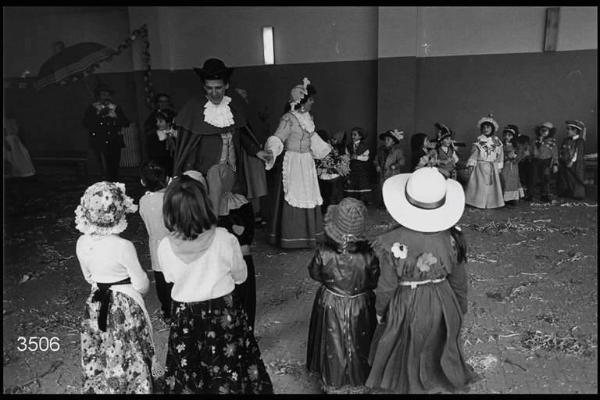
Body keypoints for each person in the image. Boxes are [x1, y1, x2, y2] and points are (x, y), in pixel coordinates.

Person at [157, 175, 273, 394]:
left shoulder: (164, 246)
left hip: (186, 316)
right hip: (224, 313)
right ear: (205, 205)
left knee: (189, 366)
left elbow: (170, 278)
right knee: (231, 364)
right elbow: (241, 276)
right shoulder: (224, 238)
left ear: (169, 211)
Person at [366, 167, 478, 394]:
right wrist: (460, 306)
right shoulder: (453, 238)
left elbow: (387, 285)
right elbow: (459, 279)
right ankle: (436, 378)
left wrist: (380, 310)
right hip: (442, 299)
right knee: (436, 340)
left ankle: (406, 383)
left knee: (406, 340)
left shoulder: (391, 242)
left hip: (406, 300)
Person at [75, 181, 155, 394]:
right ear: (120, 212)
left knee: (101, 345)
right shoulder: (123, 246)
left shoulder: (82, 242)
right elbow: (141, 284)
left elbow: (88, 276)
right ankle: (133, 386)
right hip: (123, 305)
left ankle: (102, 386)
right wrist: (138, 289)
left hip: (96, 303)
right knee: (127, 348)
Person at [172, 58, 271, 216]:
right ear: (204, 87)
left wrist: (257, 151)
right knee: (210, 204)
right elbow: (188, 147)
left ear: (226, 85)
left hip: (233, 172)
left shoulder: (234, 105)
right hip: (205, 174)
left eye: (218, 88)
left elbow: (243, 132)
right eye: (209, 88)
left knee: (234, 214)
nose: (214, 93)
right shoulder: (194, 108)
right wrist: (188, 176)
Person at [306, 197, 380, 393]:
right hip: (361, 303)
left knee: (333, 342)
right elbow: (374, 280)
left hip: (330, 301)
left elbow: (314, 273)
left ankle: (333, 381)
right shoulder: (369, 255)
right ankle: (361, 379)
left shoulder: (323, 252)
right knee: (360, 340)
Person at [265, 77, 331, 249]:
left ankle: (310, 235)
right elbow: (278, 137)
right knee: (294, 194)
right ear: (301, 101)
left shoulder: (308, 118)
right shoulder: (288, 118)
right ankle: (292, 237)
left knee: (308, 194)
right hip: (293, 162)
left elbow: (313, 137)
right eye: (310, 99)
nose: (313, 102)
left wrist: (328, 153)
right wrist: (271, 151)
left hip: (306, 162)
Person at [139, 161, 173, 324]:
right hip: (173, 242)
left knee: (161, 279)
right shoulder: (172, 198)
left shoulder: (143, 201)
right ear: (167, 179)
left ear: (143, 182)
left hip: (156, 243)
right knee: (176, 277)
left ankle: (167, 312)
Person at [82, 83, 130, 181]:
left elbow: (126, 123)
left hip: (114, 141)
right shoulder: (92, 108)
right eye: (103, 94)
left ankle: (114, 184)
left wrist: (115, 117)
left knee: (114, 166)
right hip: (99, 141)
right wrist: (98, 115)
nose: (105, 97)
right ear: (98, 96)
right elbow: (86, 123)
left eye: (107, 95)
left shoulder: (116, 108)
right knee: (103, 167)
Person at [464, 114, 505, 209]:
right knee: (480, 185)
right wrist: (471, 164)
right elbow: (474, 153)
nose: (486, 129)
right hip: (480, 166)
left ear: (493, 128)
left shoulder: (497, 141)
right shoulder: (479, 140)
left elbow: (500, 153)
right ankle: (477, 203)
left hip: (492, 166)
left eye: (488, 127)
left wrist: (499, 166)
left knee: (492, 186)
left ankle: (491, 203)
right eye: (484, 127)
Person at [316, 129, 350, 211]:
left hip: (331, 178)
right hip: (328, 178)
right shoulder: (329, 148)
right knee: (329, 199)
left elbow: (341, 165)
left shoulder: (331, 149)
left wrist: (324, 169)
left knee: (331, 199)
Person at [144, 93, 177, 175]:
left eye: (165, 101)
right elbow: (148, 128)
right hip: (158, 150)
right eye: (161, 101)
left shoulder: (174, 114)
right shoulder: (153, 116)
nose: (163, 103)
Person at [375, 129, 405, 206]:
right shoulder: (380, 149)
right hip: (382, 172)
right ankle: (383, 203)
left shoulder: (397, 151)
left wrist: (395, 165)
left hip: (392, 173)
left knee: (392, 188)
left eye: (388, 139)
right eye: (385, 139)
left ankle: (392, 204)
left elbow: (402, 161)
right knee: (382, 187)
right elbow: (376, 159)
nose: (386, 141)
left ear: (393, 142)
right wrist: (377, 165)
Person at [558, 120, 587, 200]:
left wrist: (571, 161)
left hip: (575, 163)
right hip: (565, 162)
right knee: (566, 177)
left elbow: (577, 153)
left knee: (576, 177)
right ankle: (568, 192)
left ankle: (578, 194)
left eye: (569, 129)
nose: (567, 131)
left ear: (575, 130)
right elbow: (562, 149)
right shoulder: (566, 140)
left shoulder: (579, 141)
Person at [531, 122, 559, 203]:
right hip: (536, 161)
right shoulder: (535, 140)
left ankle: (545, 194)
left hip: (546, 162)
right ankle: (531, 194)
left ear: (550, 132)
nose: (543, 132)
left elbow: (555, 153)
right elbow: (531, 150)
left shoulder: (551, 142)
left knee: (546, 178)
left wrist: (555, 164)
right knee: (534, 178)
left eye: (546, 131)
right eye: (542, 130)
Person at [345, 127, 372, 204]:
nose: (352, 136)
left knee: (362, 183)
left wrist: (357, 157)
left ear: (360, 136)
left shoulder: (364, 146)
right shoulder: (349, 146)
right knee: (352, 183)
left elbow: (366, 157)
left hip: (361, 169)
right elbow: (347, 156)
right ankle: (353, 200)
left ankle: (364, 200)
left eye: (355, 135)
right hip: (352, 168)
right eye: (352, 135)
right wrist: (348, 159)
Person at [500, 125, 525, 205]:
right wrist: (506, 157)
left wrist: (515, 157)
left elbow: (520, 154)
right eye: (505, 135)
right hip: (504, 165)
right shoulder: (501, 145)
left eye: (509, 135)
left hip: (513, 166)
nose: (507, 137)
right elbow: (499, 154)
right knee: (504, 179)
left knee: (513, 180)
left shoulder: (516, 145)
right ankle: (504, 197)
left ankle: (513, 198)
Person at [515, 128, 534, 201]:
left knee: (526, 179)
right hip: (525, 163)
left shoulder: (525, 146)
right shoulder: (526, 145)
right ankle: (527, 194)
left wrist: (517, 160)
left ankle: (527, 194)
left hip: (526, 163)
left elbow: (524, 154)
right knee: (527, 180)